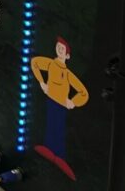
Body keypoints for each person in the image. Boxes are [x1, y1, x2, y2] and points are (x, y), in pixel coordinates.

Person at [32, 37, 89, 180]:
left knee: (59, 127)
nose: (59, 49)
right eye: (58, 47)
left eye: (62, 48)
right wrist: (41, 82)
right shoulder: (51, 64)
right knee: (50, 123)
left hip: (62, 104)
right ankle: (48, 149)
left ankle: (60, 156)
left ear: (68, 55)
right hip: (51, 100)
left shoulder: (68, 74)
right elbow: (35, 63)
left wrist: (73, 102)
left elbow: (84, 93)